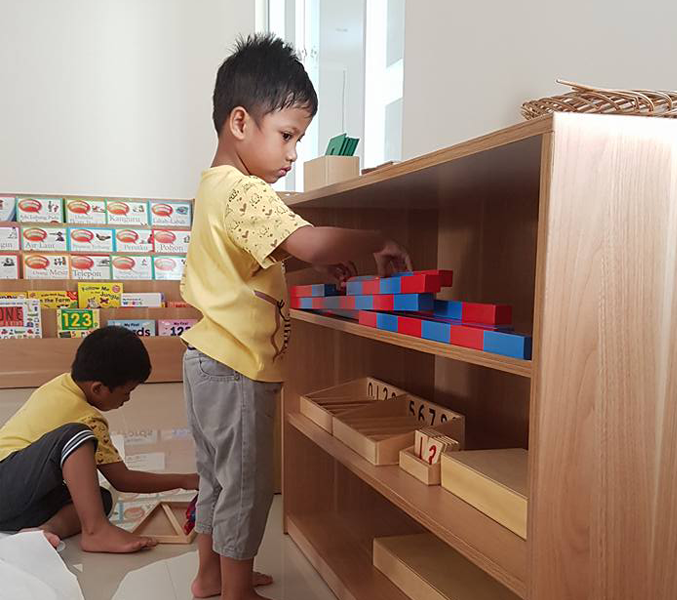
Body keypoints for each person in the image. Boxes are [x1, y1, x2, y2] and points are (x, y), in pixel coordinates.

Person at [180, 33, 412, 600]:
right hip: (236, 368)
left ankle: (211, 576)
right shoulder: (246, 192)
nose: (292, 154)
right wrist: (376, 238)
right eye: (287, 135)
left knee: (217, 479)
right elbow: (307, 241)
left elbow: (258, 264)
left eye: (299, 140)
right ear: (240, 122)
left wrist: (312, 266)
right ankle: (236, 589)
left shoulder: (214, 188)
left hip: (206, 360)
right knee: (246, 484)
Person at [0, 326, 199, 552]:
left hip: (15, 504)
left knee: (99, 499)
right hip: (5, 483)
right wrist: (185, 480)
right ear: (98, 388)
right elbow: (123, 479)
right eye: (127, 392)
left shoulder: (60, 384)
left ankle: (43, 531)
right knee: (76, 434)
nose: (128, 399)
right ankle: (96, 532)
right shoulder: (88, 418)